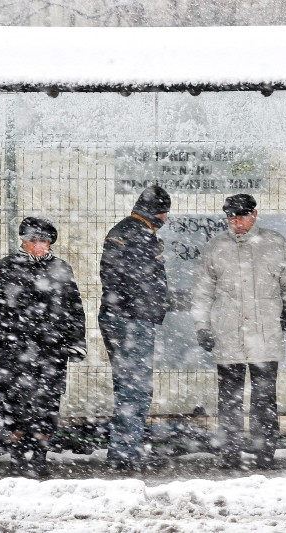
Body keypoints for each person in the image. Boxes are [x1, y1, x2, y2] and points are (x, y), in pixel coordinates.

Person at [190, 194, 286, 469]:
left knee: (264, 398)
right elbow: (202, 292)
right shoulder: (216, 247)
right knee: (229, 399)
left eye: (241, 216)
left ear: (255, 214)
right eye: (231, 217)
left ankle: (264, 454)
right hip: (227, 333)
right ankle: (229, 454)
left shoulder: (274, 243)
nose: (236, 222)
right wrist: (202, 326)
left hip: (264, 333)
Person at [0, 216, 86, 478]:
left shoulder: (61, 269)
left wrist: (76, 341)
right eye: (33, 240)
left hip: (50, 352)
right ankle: (18, 459)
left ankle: (38, 459)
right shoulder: (5, 267)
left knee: (46, 407)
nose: (39, 245)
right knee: (13, 405)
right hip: (11, 351)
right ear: (23, 242)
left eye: (44, 240)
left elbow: (74, 308)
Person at [99, 185, 170, 470]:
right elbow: (141, 280)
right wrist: (154, 304)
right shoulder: (141, 235)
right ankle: (125, 452)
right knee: (136, 388)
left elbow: (112, 275)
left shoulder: (122, 230)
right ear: (158, 212)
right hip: (134, 320)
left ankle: (124, 447)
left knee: (126, 385)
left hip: (115, 316)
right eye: (165, 213)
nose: (165, 219)